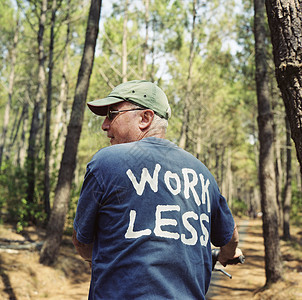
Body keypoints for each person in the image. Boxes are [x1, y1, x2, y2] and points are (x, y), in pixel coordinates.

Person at [72, 80, 242, 299]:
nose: (105, 125)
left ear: (145, 118)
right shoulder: (203, 173)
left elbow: (81, 241)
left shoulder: (106, 162)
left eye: (112, 114)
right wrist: (227, 254)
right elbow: (230, 236)